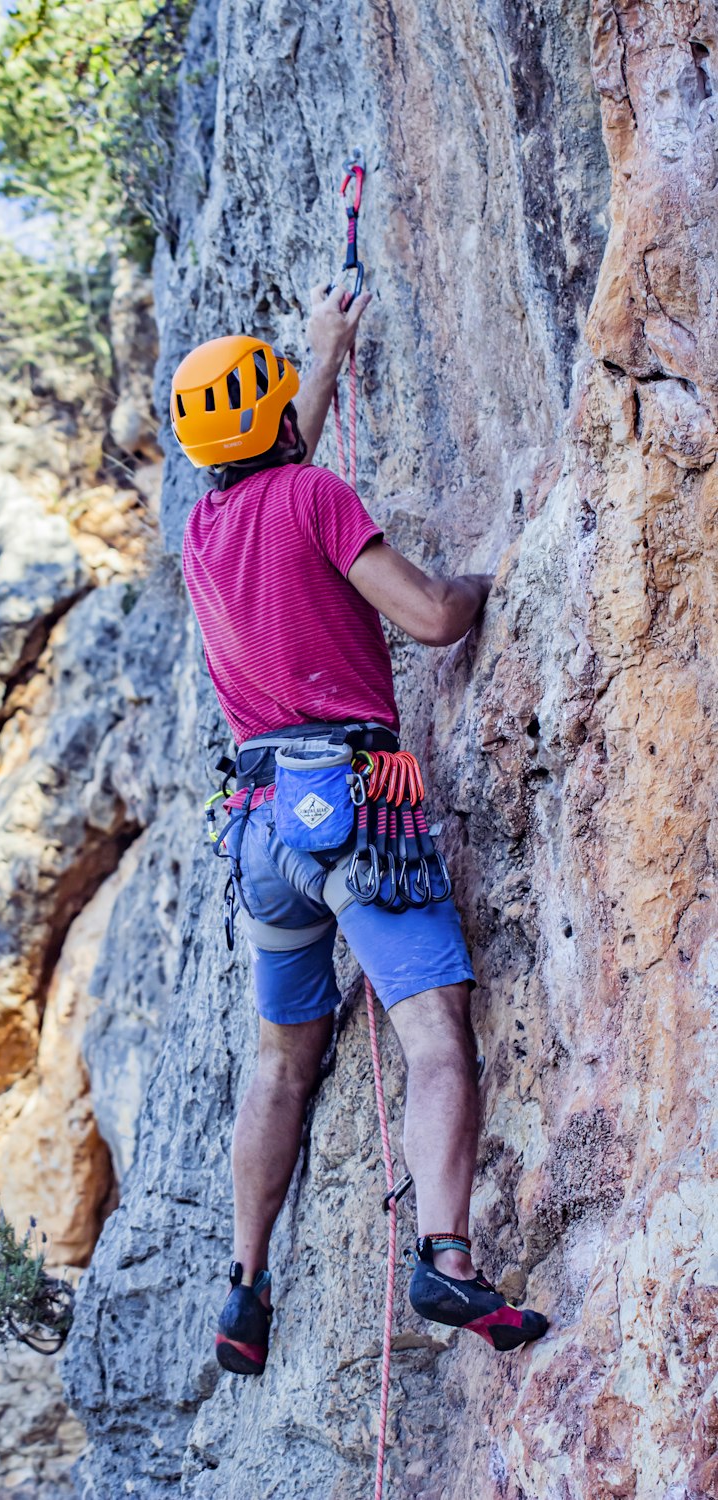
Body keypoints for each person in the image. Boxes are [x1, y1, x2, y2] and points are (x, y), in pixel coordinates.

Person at [173, 285, 549, 1376]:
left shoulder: (206, 530)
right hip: (355, 815)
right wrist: (484, 581)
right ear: (283, 421)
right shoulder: (317, 497)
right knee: (432, 1034)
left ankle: (245, 1290)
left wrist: (320, 356)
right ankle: (445, 1253)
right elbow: (430, 617)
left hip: (258, 837)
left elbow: (276, 472)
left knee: (279, 1065)